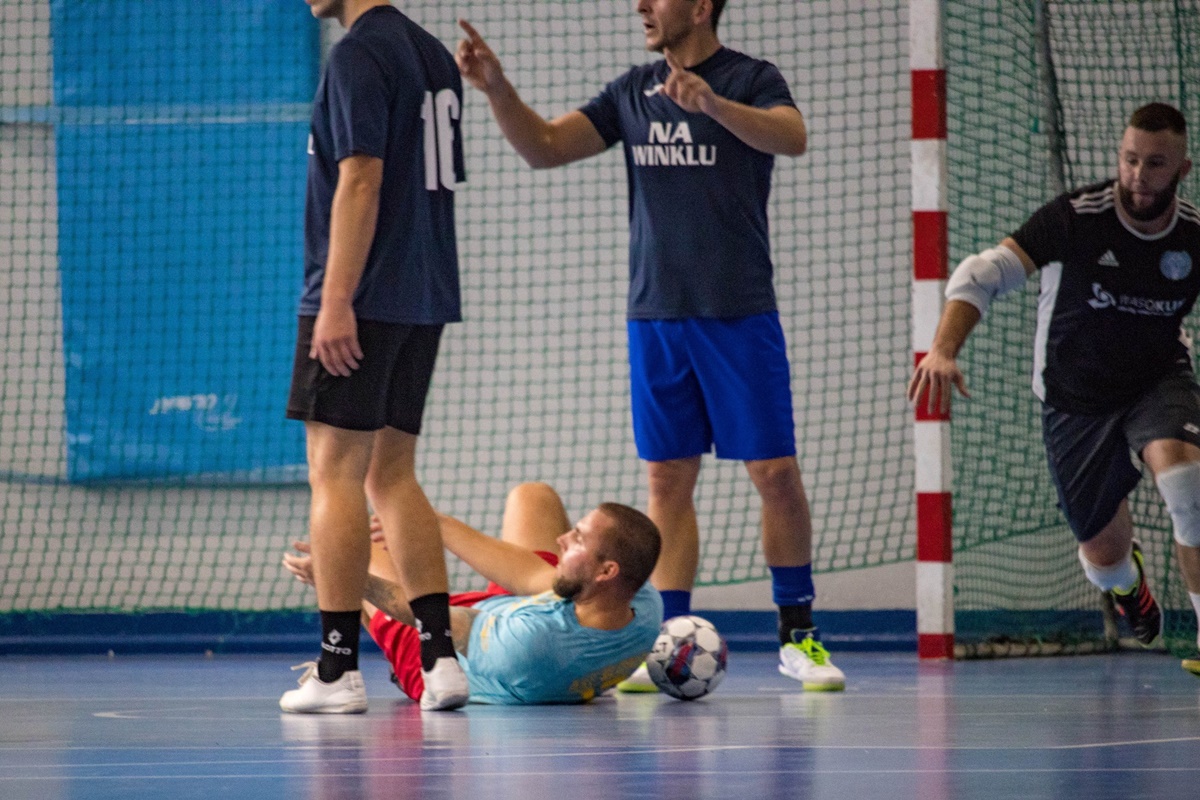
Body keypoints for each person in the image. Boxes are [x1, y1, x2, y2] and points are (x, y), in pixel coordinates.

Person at [453, 1, 844, 693]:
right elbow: (544, 147)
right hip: (655, 317)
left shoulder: (752, 79)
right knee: (667, 481)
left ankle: (799, 635)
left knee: (775, 475)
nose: (641, 4)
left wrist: (713, 104)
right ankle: (667, 635)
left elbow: (793, 137)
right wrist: (497, 90)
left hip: (738, 315)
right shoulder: (631, 91)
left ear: (699, 6)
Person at [908, 102, 1200, 676]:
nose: (1139, 175)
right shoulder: (1076, 218)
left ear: (1182, 169)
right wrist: (942, 349)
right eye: (1130, 159)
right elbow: (981, 274)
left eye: (1155, 164)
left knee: (1188, 486)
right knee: (1105, 557)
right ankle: (1127, 585)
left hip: (1157, 380)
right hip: (1074, 398)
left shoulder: (1192, 237)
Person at [281, 0, 469, 713]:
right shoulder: (433, 55)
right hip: (424, 295)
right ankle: (441, 661)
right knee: (393, 474)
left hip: (364, 295)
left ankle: (337, 670)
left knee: (335, 472)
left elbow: (362, 176)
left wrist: (336, 301)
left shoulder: (358, 53)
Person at [283, 483, 665, 704]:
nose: (562, 539)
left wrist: (343, 574)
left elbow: (433, 621)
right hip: (513, 616)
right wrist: (437, 524)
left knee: (355, 549)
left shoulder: (530, 647)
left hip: (442, 651)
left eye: (577, 539)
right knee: (533, 497)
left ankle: (336, 672)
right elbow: (534, 576)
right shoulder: (644, 603)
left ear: (606, 571)